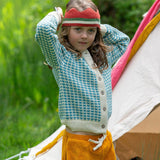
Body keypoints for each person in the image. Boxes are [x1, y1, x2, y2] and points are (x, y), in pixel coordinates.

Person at [35, 0, 130, 159]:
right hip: (78, 143)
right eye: (78, 29)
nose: (85, 36)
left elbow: (123, 41)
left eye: (91, 31)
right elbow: (43, 30)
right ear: (67, 30)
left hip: (103, 138)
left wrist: (100, 27)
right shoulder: (62, 58)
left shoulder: (102, 58)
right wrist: (58, 16)